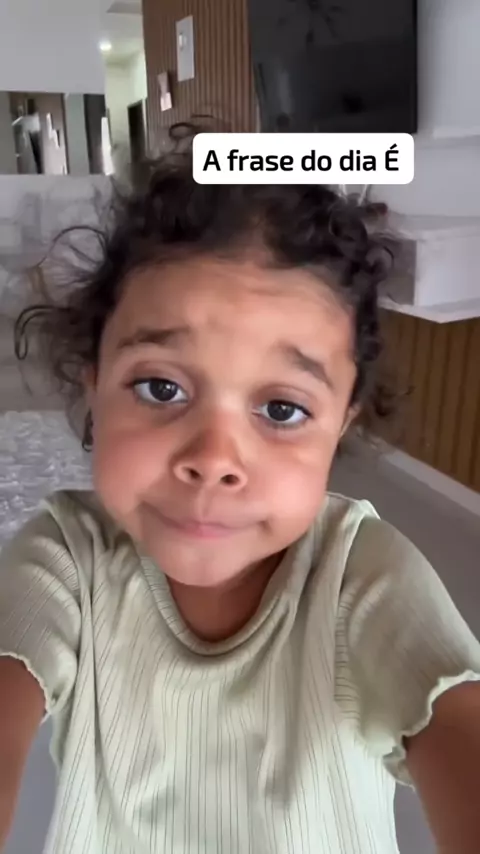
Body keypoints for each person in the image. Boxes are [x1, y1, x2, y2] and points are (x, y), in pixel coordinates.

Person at [1, 142, 480, 854]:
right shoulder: (67, 559)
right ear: (94, 384)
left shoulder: (363, 576)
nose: (214, 460)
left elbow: (460, 726)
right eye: (161, 387)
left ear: (341, 423)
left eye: (282, 409)